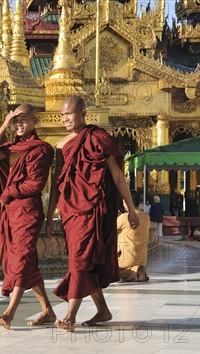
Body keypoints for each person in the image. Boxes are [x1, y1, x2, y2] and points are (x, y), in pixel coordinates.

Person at [46, 96, 139, 332]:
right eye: (62, 115)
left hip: (96, 209)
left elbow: (117, 175)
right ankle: (103, 311)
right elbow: (57, 183)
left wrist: (130, 209)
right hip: (71, 212)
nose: (65, 119)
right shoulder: (60, 145)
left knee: (81, 260)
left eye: (69, 114)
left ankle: (70, 316)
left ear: (83, 113)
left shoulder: (98, 139)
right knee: (83, 261)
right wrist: (49, 215)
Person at [0, 103, 56, 329]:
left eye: (24, 119)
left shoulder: (42, 149)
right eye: (16, 120)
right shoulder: (12, 148)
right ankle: (48, 311)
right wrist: (4, 123)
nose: (19, 124)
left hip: (28, 212)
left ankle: (10, 313)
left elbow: (35, 184)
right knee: (28, 264)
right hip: (10, 213)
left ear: (35, 121)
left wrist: (8, 192)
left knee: (22, 261)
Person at [117, 195, 150, 282]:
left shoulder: (125, 217)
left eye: (124, 202)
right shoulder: (146, 217)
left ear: (129, 203)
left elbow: (111, 227)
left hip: (126, 257)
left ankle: (133, 273)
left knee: (110, 272)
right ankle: (139, 269)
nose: (123, 204)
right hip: (142, 258)